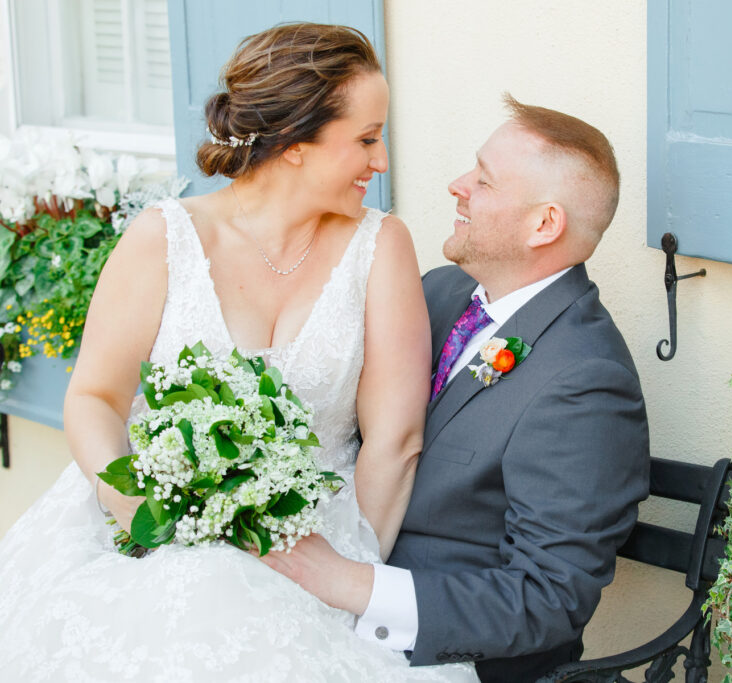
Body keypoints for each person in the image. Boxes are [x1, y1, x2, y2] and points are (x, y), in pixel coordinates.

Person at [0, 23, 477, 682]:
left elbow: (395, 442)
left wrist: (337, 573)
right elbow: (94, 398)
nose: (382, 161)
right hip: (144, 519)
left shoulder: (381, 245)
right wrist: (143, 516)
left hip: (313, 538)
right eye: (366, 139)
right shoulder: (163, 238)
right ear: (295, 145)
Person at [260, 95, 651, 683]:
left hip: (433, 653)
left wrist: (349, 583)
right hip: (317, 588)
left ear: (544, 224)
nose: (457, 185)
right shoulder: (440, 293)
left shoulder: (587, 381)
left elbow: (549, 600)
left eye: (485, 182)